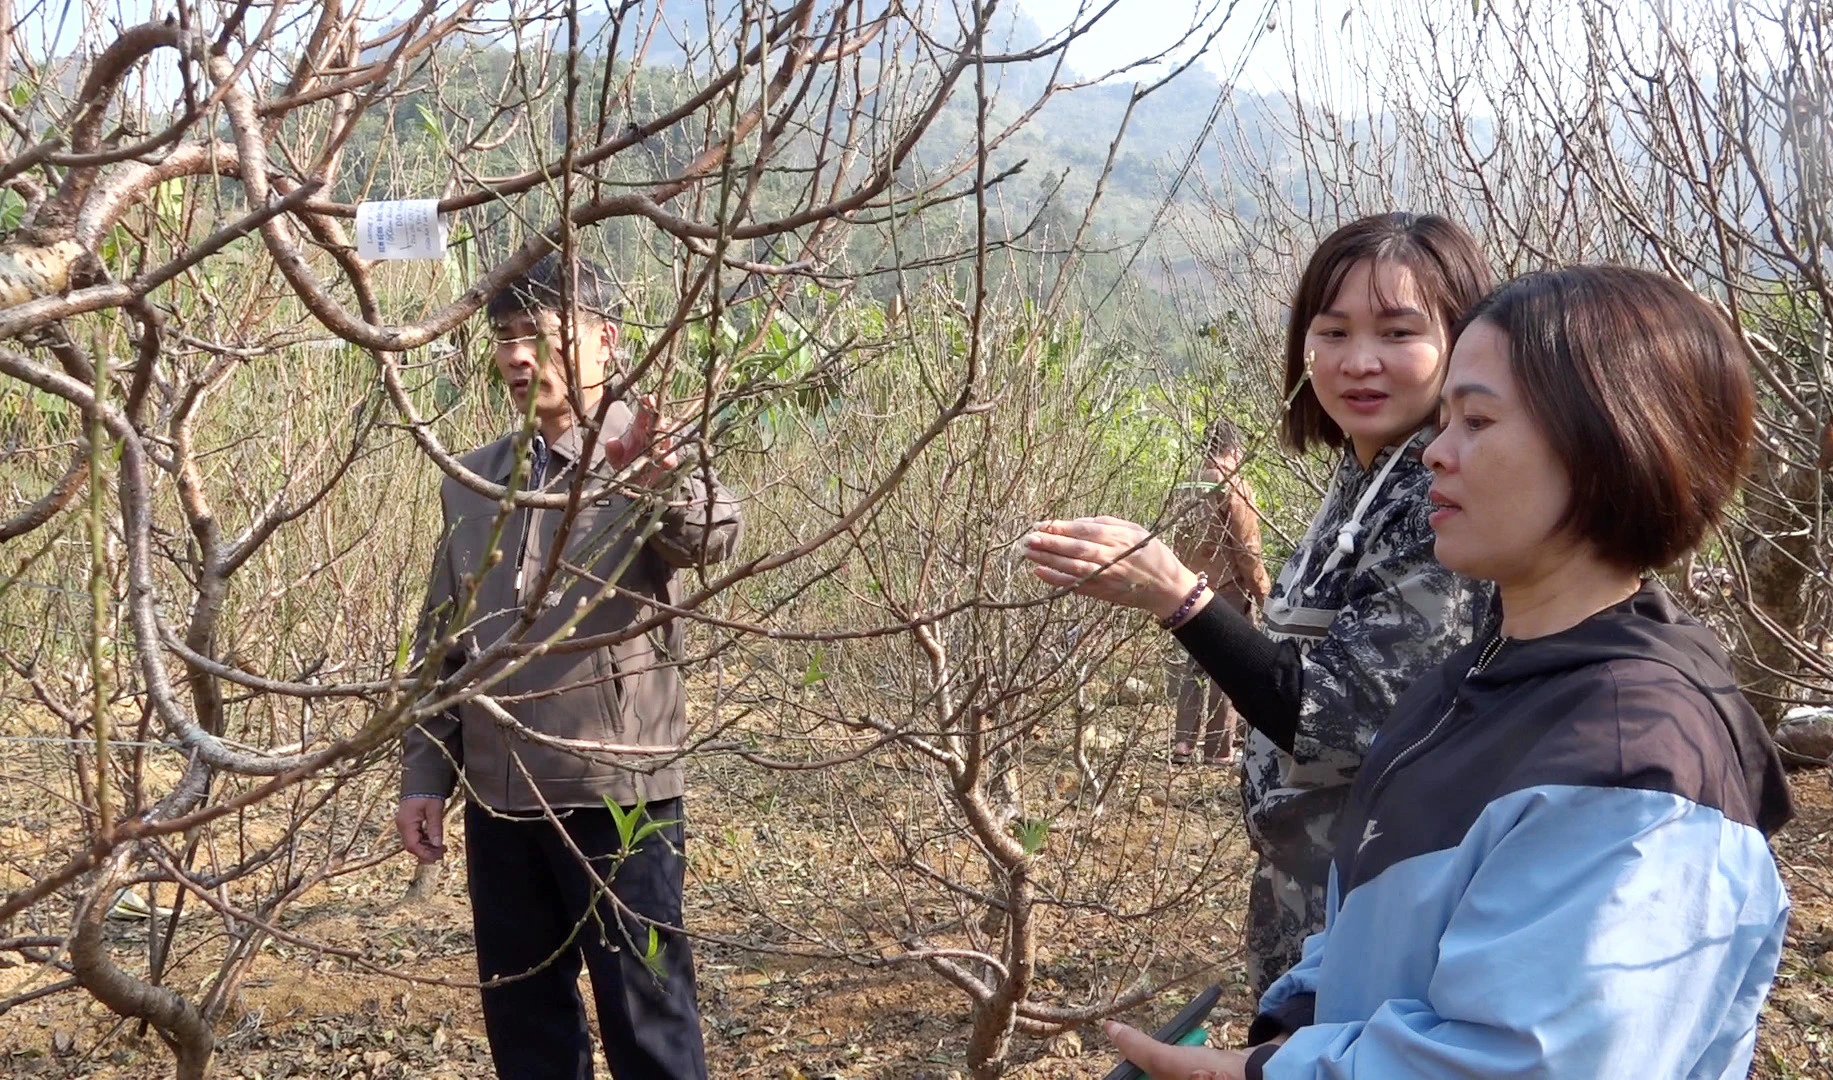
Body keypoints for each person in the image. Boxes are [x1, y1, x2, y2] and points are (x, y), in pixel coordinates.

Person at [1102, 266, 1794, 1079]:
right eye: (1445, 420)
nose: (1434, 452)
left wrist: (1257, 1073)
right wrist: (1292, 1026)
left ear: (1610, 443)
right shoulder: (1471, 679)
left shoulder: (1629, 756)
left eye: (1476, 420)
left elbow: (1534, 1062)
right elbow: (1373, 923)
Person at [1024, 212, 1494, 994]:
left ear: (1464, 341)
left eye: (1397, 332)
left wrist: (1179, 598)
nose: (1359, 361)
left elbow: (1340, 723)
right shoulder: (1361, 474)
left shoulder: (1435, 501)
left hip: (1380, 914)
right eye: (1333, 332)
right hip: (1305, 893)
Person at [395, 253, 740, 1080]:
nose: (518, 356)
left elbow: (711, 538)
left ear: (604, 342)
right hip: (501, 800)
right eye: (504, 338)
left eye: (539, 336)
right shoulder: (473, 478)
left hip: (619, 796)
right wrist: (424, 773)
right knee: (526, 1024)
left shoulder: (642, 456)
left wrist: (660, 479)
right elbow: (444, 638)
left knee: (648, 1019)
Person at [1167, 418, 1271, 765]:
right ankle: (1219, 749)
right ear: (1234, 449)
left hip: (1186, 584)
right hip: (1226, 588)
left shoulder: (1185, 482)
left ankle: (1183, 742)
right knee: (1228, 666)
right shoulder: (1232, 484)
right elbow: (1246, 548)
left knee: (1194, 664)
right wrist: (1263, 592)